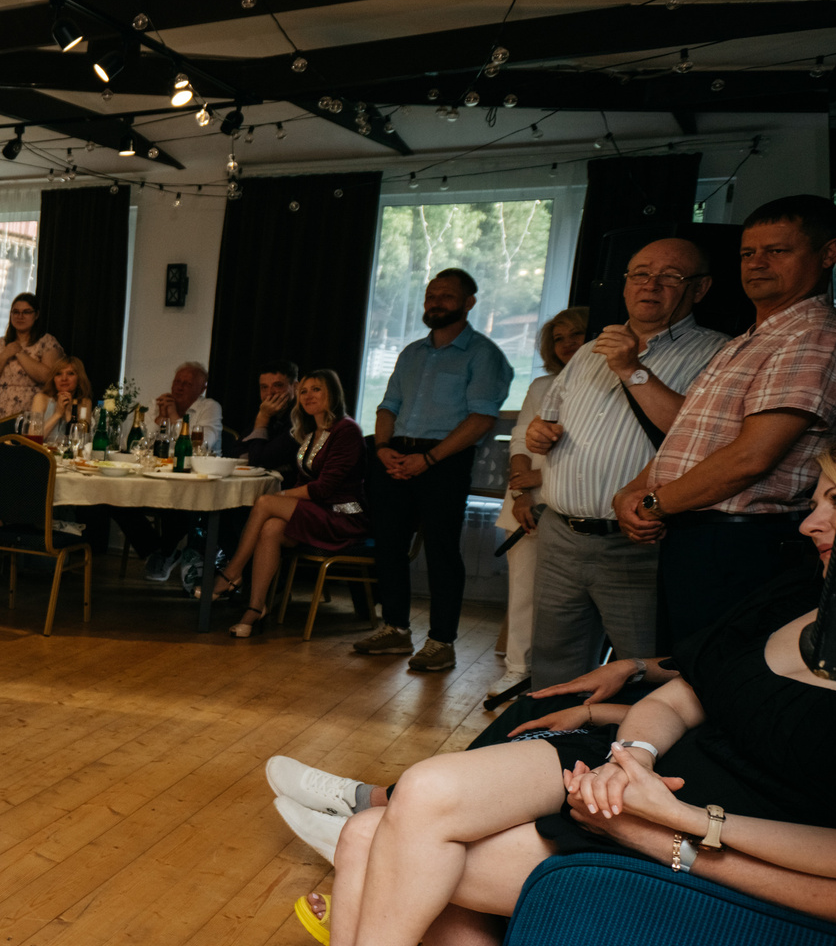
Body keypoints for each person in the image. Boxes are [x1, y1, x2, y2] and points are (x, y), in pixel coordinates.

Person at [257, 437, 836, 946]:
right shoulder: (804, 591)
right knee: (418, 801)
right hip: (641, 777)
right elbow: (681, 699)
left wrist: (681, 820)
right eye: (820, 498)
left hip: (719, 828)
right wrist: (635, 755)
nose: (809, 522)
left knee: (386, 837)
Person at [612, 196, 836, 662]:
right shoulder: (753, 337)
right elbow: (693, 435)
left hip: (741, 543)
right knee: (682, 672)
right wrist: (635, 489)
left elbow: (752, 457)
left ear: (828, 254)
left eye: (778, 251)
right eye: (748, 254)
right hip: (701, 535)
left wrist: (654, 503)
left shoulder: (815, 335)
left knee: (713, 679)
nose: (757, 264)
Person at [522, 244, 732, 690]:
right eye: (639, 274)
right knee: (554, 661)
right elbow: (550, 418)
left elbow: (700, 438)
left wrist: (631, 368)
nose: (650, 285)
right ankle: (548, 750)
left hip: (638, 543)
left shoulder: (719, 354)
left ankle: (628, 756)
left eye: (671, 276)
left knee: (641, 668)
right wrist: (539, 433)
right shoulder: (589, 349)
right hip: (560, 533)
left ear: (701, 288)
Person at [353, 267, 515, 674]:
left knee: (442, 551)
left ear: (468, 303)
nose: (435, 302)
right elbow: (388, 406)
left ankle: (441, 642)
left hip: (444, 461)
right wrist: (385, 448)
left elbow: (481, 419)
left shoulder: (483, 354)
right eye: (430, 295)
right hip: (395, 457)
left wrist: (428, 460)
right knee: (388, 545)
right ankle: (395, 629)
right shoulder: (412, 353)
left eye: (446, 295)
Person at [201, 368, 365, 638]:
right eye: (304, 391)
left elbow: (324, 488)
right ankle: (254, 609)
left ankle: (232, 572)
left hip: (343, 514)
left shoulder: (346, 430)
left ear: (333, 394)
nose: (308, 396)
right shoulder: (309, 431)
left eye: (317, 389)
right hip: (318, 510)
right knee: (271, 528)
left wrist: (282, 497)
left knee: (266, 503)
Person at [496, 307, 590, 687]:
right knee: (523, 593)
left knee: (569, 604)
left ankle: (563, 679)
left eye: (577, 335)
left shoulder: (609, 387)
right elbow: (520, 439)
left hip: (578, 503)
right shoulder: (540, 387)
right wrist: (522, 491)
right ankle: (517, 671)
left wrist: (539, 477)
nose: (568, 344)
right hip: (526, 503)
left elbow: (594, 452)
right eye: (559, 338)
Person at [117, 360, 226, 579]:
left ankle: (165, 552)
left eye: (187, 383)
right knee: (116, 497)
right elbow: (137, 445)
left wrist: (175, 417)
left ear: (202, 388)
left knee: (175, 501)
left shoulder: (210, 407)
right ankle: (157, 551)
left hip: (195, 481)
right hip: (155, 475)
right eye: (177, 381)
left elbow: (202, 444)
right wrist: (160, 419)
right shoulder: (158, 404)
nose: (179, 387)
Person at [0, 292, 65, 429]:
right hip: (0, 412)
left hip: (32, 412)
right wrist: (4, 355)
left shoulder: (47, 342)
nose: (20, 316)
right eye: (16, 312)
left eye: (26, 312)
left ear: (36, 315)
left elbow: (48, 377)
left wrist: (20, 353)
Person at [235, 359, 303, 480]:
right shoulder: (268, 413)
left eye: (278, 385)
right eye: (264, 387)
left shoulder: (301, 418)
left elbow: (259, 462)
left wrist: (262, 419)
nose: (269, 393)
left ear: (296, 387)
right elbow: (237, 451)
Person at [23, 356, 90, 446]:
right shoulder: (41, 398)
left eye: (70, 373)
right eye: (58, 374)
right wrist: (57, 414)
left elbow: (83, 443)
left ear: (79, 378)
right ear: (54, 379)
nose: (64, 378)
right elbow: (32, 440)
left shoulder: (84, 403)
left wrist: (68, 411)